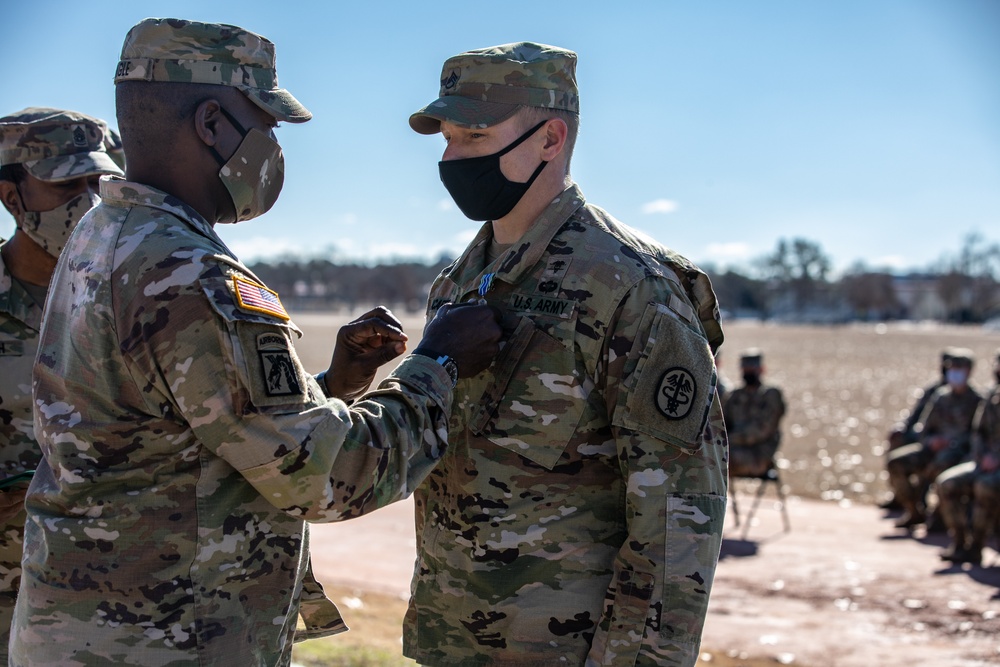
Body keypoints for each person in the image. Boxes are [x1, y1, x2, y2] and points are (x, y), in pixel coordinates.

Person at [10, 18, 501, 667]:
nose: (272, 147)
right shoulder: (189, 276)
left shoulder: (103, 237)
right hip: (159, 643)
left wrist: (337, 384)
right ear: (212, 122)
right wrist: (438, 362)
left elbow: (193, 437)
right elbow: (323, 474)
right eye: (265, 124)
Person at [404, 42, 728, 666]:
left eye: (474, 135)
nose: (451, 158)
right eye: (446, 138)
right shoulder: (458, 285)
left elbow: (677, 519)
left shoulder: (631, 287)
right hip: (452, 641)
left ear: (551, 138)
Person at [0, 107, 124, 662]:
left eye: (98, 183)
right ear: (11, 196)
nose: (88, 202)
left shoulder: (127, 302)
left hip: (107, 600)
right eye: (67, 185)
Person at [887, 349, 981, 530]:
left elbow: (976, 435)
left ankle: (940, 516)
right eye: (952, 367)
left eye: (959, 368)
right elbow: (924, 427)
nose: (955, 372)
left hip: (957, 453)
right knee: (896, 463)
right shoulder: (940, 397)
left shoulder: (977, 400)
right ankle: (914, 510)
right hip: (932, 448)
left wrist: (952, 443)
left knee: (941, 466)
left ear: (969, 371)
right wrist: (931, 441)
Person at [936, 349, 1000, 564]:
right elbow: (978, 432)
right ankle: (961, 542)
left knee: (986, 486)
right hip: (983, 462)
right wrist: (982, 457)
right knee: (947, 483)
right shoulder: (993, 396)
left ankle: (978, 545)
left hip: (996, 467)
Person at [879, 348, 954, 509]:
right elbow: (917, 417)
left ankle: (934, 510)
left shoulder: (973, 397)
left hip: (952, 446)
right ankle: (905, 501)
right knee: (897, 443)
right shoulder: (934, 392)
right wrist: (906, 430)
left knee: (939, 463)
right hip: (926, 439)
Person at [723, 349, 786, 477]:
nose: (749, 371)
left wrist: (730, 439)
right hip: (732, 451)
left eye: (752, 367)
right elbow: (722, 424)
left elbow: (762, 430)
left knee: (720, 459)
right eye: (746, 368)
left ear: (761, 369)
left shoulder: (770, 395)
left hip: (758, 455)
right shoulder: (734, 396)